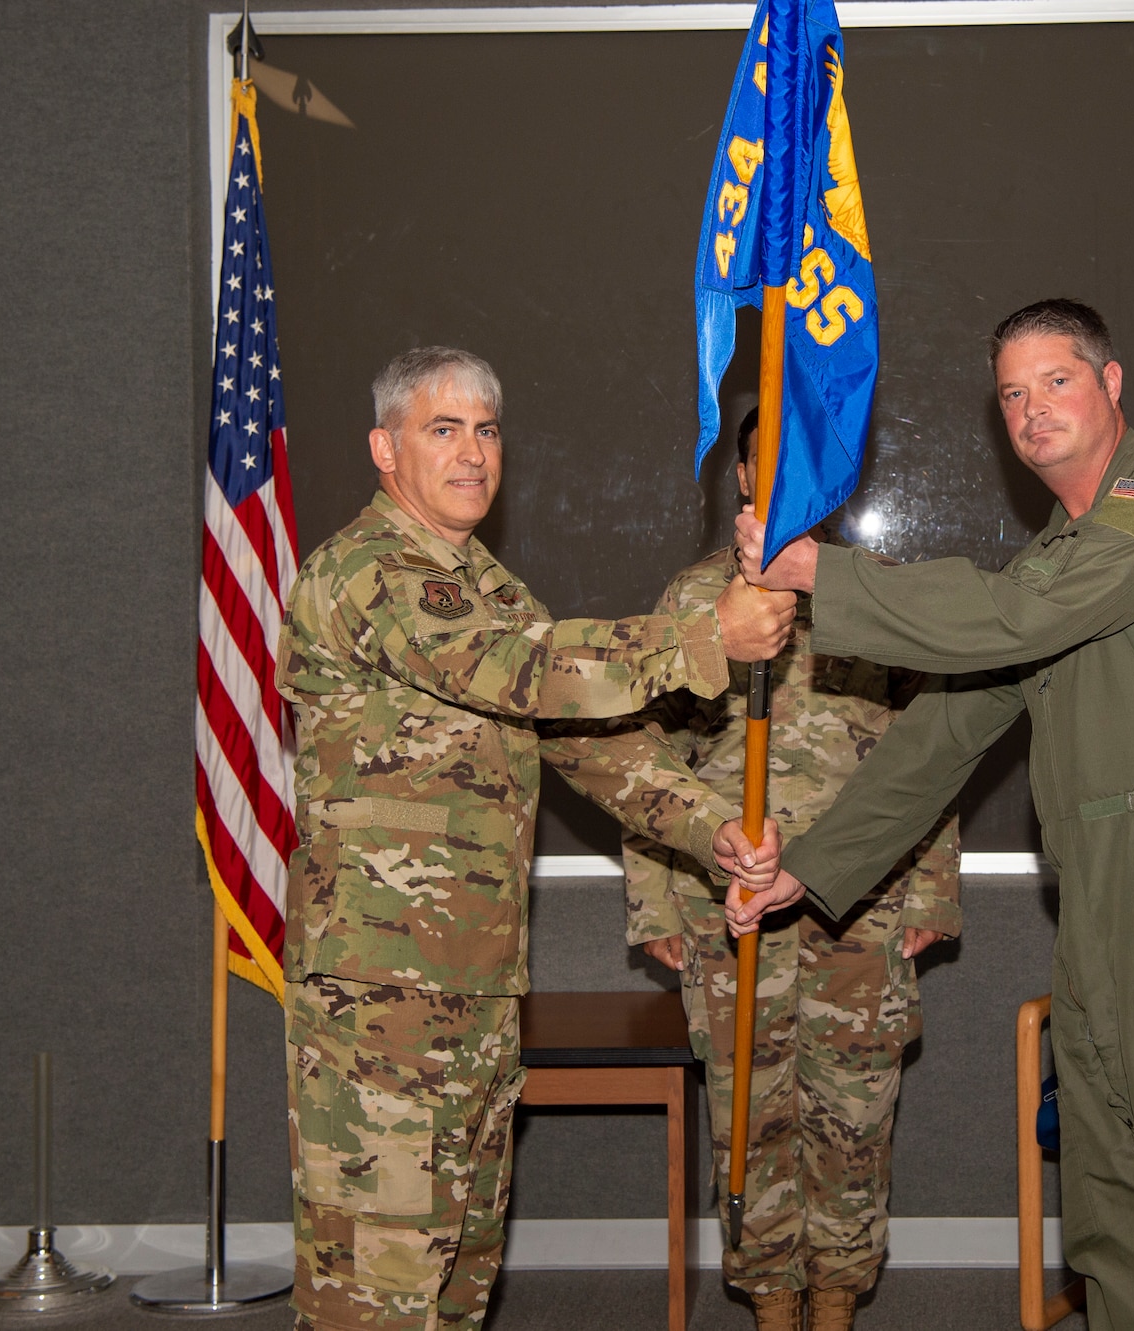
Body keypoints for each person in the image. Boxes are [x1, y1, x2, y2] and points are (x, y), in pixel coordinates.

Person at [729, 301, 1134, 1331]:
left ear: (1110, 383)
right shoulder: (1062, 551)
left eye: (1055, 380)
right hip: (1098, 893)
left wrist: (821, 572)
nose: (1031, 408)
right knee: (1112, 1211)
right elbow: (944, 732)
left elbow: (1014, 618)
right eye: (1010, 392)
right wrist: (808, 865)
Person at [275, 346, 795, 1331]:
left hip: (475, 989)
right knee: (376, 1293)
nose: (473, 452)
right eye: (444, 428)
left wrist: (709, 825)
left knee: (459, 1277)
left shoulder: (486, 583)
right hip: (379, 996)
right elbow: (518, 670)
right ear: (385, 448)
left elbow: (587, 741)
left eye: (486, 429)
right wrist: (700, 639)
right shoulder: (368, 573)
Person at [623, 408, 959, 1331]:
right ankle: (772, 1299)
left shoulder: (878, 595)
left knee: (855, 1113)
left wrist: (931, 886)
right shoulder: (692, 601)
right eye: (763, 464)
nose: (779, 480)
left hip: (865, 905)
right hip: (726, 905)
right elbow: (640, 756)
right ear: (737, 477)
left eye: (804, 464)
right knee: (748, 1114)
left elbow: (932, 748)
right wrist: (652, 901)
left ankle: (840, 1293)